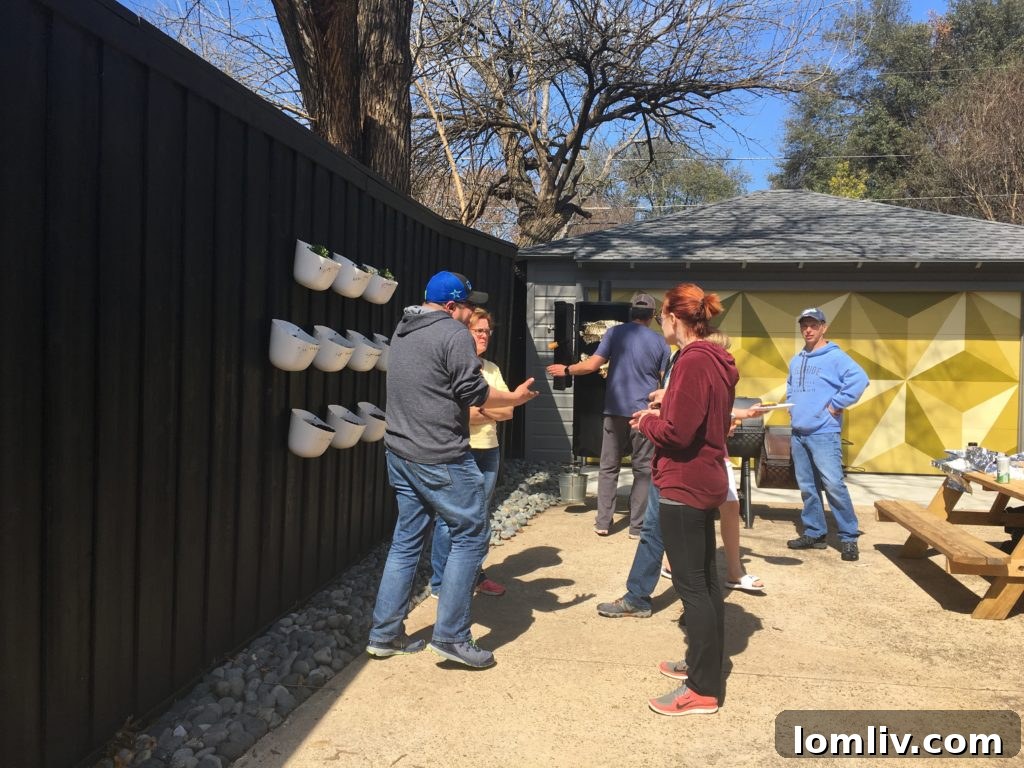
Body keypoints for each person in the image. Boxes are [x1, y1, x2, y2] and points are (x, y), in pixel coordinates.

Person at [365, 271, 539, 669]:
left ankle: (385, 634)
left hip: (401, 452)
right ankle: (451, 637)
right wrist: (514, 396)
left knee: (407, 539)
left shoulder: (404, 330)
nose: (468, 313)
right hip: (440, 456)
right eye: (464, 306)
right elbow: (473, 392)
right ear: (449, 307)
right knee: (472, 534)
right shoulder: (452, 334)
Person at [632, 283, 738, 716]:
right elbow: (700, 413)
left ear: (675, 317)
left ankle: (702, 689)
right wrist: (667, 401)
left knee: (691, 587)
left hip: (685, 483)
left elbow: (678, 433)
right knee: (707, 583)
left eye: (662, 318)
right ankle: (701, 666)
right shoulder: (715, 359)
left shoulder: (693, 360)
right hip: (705, 477)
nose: (662, 326)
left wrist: (646, 424)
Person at [546, 293, 670, 538]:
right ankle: (637, 527)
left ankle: (603, 523)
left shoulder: (614, 334)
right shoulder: (661, 343)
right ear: (652, 316)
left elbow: (592, 365)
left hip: (615, 410)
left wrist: (567, 369)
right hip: (644, 413)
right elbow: (664, 382)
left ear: (631, 312)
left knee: (608, 467)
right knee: (643, 469)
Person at [430, 307, 511, 598]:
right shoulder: (453, 366)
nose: (484, 336)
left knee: (480, 515)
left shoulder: (491, 369)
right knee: (449, 517)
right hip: (459, 450)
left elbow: (509, 410)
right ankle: (440, 582)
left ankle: (474, 575)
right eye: (479, 331)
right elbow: (458, 416)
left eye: (488, 331)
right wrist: (487, 411)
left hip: (489, 451)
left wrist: (481, 411)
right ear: (465, 333)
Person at [785, 307, 869, 562]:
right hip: (799, 432)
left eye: (813, 325)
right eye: (804, 325)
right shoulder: (797, 359)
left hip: (824, 432)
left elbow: (860, 379)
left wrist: (836, 404)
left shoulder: (836, 357)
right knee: (808, 487)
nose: (808, 330)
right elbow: (790, 386)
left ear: (824, 327)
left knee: (833, 485)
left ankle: (849, 537)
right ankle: (815, 532)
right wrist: (792, 407)